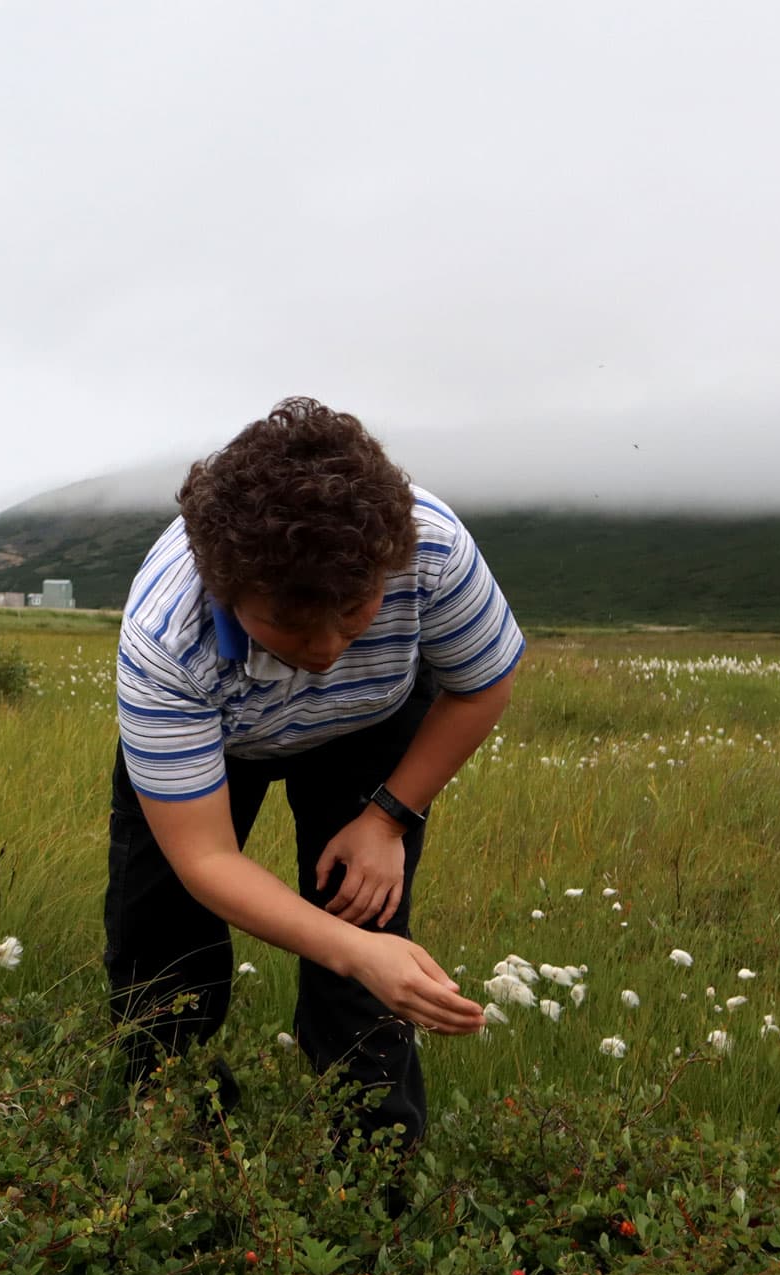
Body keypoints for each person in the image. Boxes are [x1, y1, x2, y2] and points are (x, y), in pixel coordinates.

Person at [106, 396, 516, 1151]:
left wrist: (389, 816)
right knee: (160, 949)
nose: (327, 648)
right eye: (289, 627)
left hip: (373, 726)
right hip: (220, 744)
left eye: (357, 613)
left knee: (367, 924)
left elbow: (482, 681)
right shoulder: (167, 634)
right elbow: (205, 858)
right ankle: (173, 1150)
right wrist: (353, 950)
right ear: (225, 590)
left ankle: (373, 1169)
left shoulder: (431, 551)